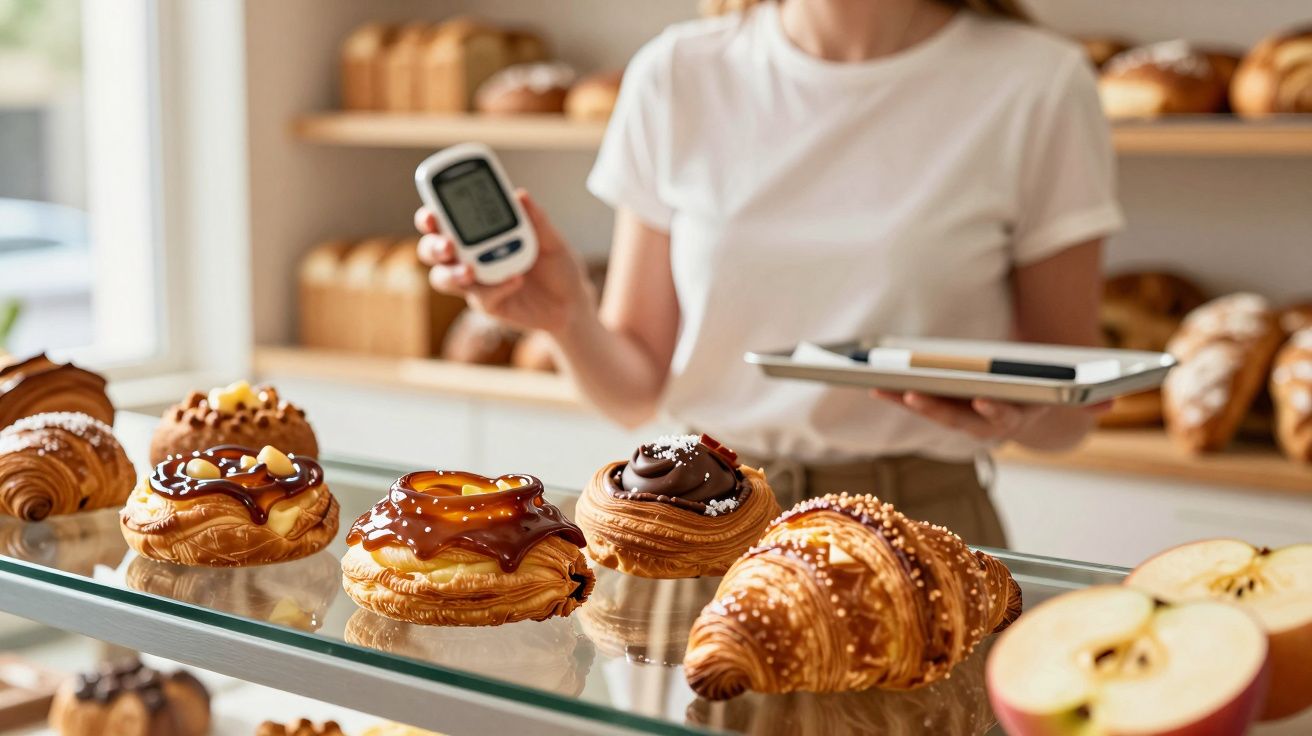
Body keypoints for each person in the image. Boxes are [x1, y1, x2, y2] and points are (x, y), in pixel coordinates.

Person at [414, 0, 1123, 548]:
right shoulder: (678, 73)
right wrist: (566, 317)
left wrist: (1025, 413)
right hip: (701, 521)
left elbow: (1069, 415)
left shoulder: (1040, 83)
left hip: (925, 531)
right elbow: (634, 391)